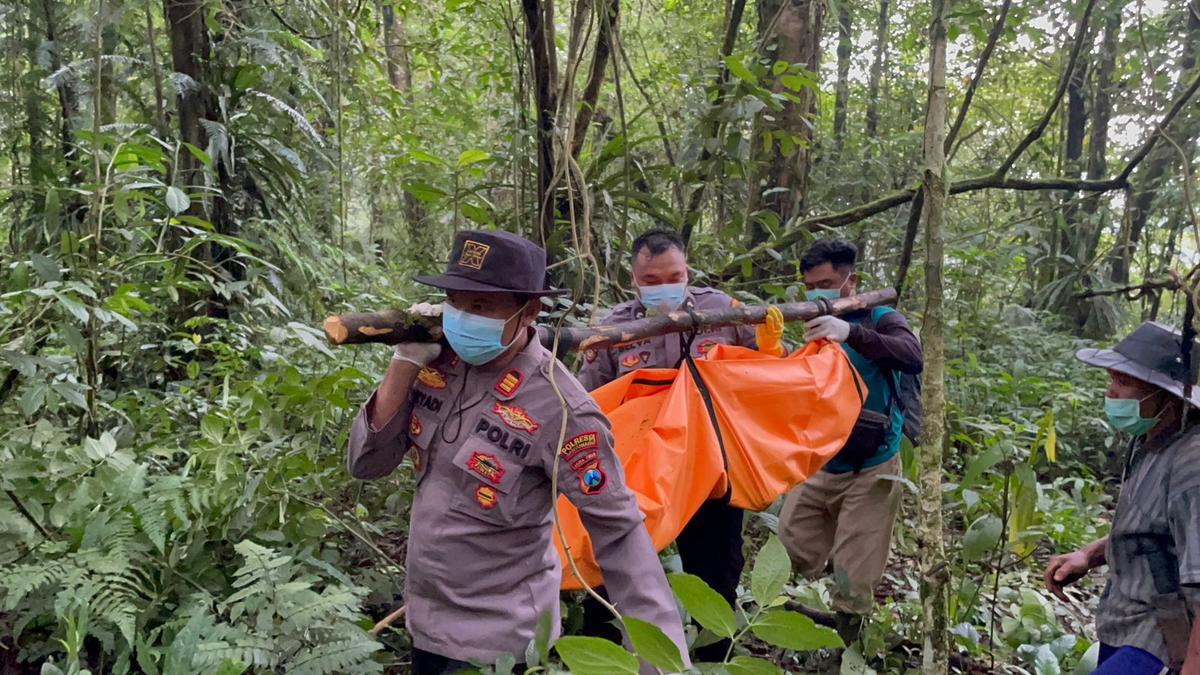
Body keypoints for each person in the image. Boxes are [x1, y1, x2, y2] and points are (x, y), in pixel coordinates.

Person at [347, 229, 689, 674]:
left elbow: (620, 533)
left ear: (529, 312)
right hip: (426, 623)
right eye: (455, 301)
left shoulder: (562, 409)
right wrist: (404, 362)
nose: (463, 317)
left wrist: (662, 662)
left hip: (503, 646)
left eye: (482, 307)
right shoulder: (439, 368)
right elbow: (366, 463)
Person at [576, 227, 785, 662]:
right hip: (639, 473)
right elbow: (586, 405)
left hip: (711, 470)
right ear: (633, 279)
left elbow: (767, 377)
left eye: (674, 275)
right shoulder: (614, 329)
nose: (664, 286)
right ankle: (605, 661)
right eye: (651, 280)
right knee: (608, 575)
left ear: (687, 270)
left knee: (715, 578)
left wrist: (770, 344)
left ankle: (713, 664)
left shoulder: (723, 312)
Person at [777, 238, 923, 645]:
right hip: (821, 460)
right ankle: (787, 614)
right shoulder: (812, 326)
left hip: (872, 464)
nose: (817, 293)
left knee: (856, 572)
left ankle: (847, 644)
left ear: (850, 281)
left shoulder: (880, 318)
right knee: (790, 548)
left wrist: (851, 333)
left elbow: (912, 355)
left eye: (827, 282)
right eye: (811, 285)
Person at [1044, 321, 1200, 675]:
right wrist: (1089, 555)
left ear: (1167, 395)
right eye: (1112, 379)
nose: (1111, 392)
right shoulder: (1149, 440)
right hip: (1124, 624)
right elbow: (1155, 526)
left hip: (1163, 640)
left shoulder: (1192, 464)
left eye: (1124, 382)